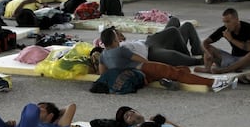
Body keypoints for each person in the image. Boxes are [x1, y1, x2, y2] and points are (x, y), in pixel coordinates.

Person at [98, 27, 236, 92]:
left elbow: (103, 74)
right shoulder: (121, 49)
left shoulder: (103, 55)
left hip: (134, 77)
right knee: (176, 73)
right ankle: (213, 83)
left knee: (179, 71)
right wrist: (155, 65)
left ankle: (166, 79)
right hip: (141, 69)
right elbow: (140, 59)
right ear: (115, 39)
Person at [94, 17, 204, 66]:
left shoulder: (120, 43)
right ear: (113, 41)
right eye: (117, 35)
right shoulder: (116, 51)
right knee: (173, 32)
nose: (119, 35)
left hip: (150, 41)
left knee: (179, 23)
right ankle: (191, 59)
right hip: (151, 53)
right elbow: (143, 61)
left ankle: (196, 50)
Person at [194, 8, 250, 74]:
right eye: (224, 22)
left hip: (246, 61)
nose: (226, 25)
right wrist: (207, 53)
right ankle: (207, 69)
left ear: (237, 20)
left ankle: (224, 70)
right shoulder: (225, 29)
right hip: (232, 59)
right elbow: (204, 42)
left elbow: (247, 48)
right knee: (208, 48)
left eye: (228, 21)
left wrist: (231, 39)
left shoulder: (247, 28)